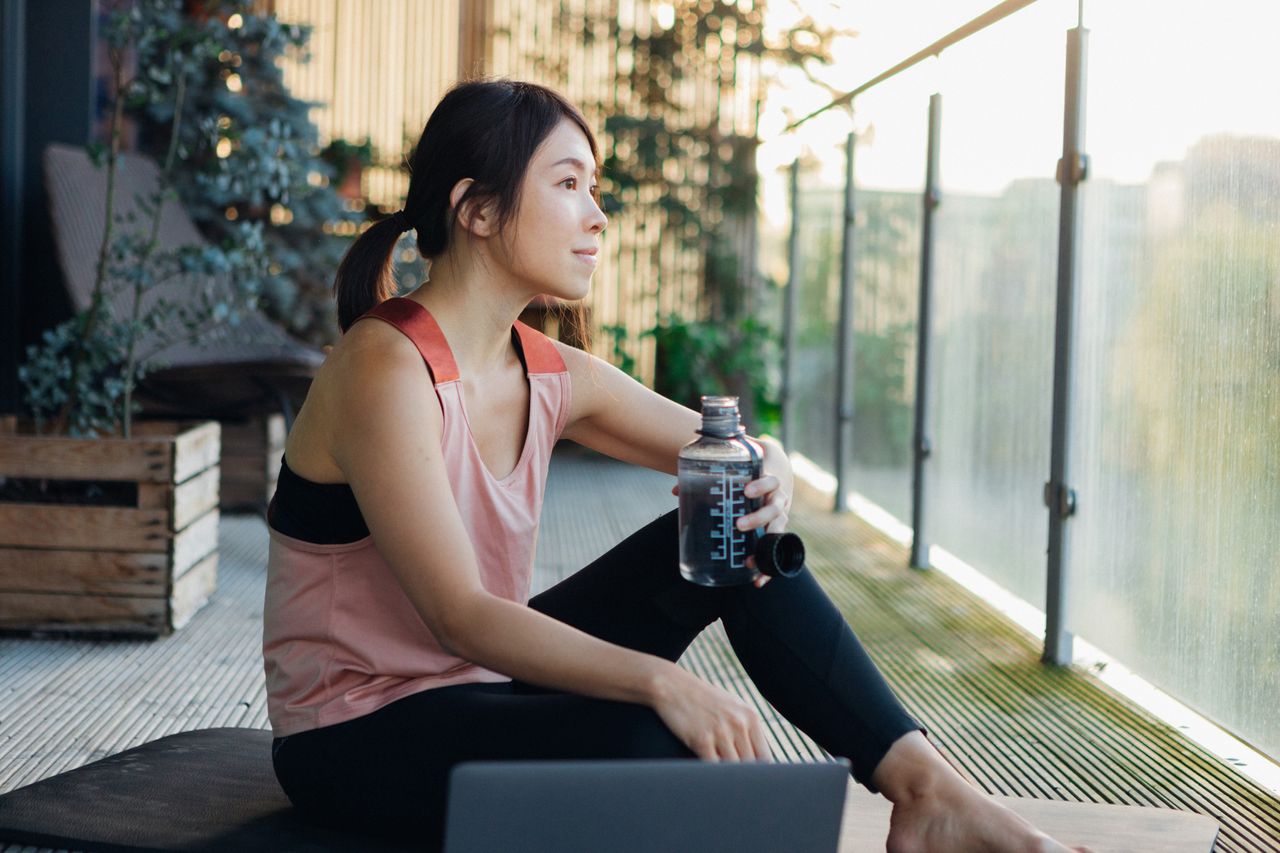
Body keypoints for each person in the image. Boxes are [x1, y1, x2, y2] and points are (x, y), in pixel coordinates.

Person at [262, 78, 1085, 852]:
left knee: (733, 538)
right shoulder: (386, 367)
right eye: (569, 184)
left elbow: (725, 442)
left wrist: (772, 467)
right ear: (476, 208)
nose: (599, 214)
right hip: (356, 733)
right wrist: (661, 679)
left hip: (481, 684)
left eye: (595, 187)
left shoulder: (545, 367)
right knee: (656, 736)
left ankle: (927, 790)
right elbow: (461, 617)